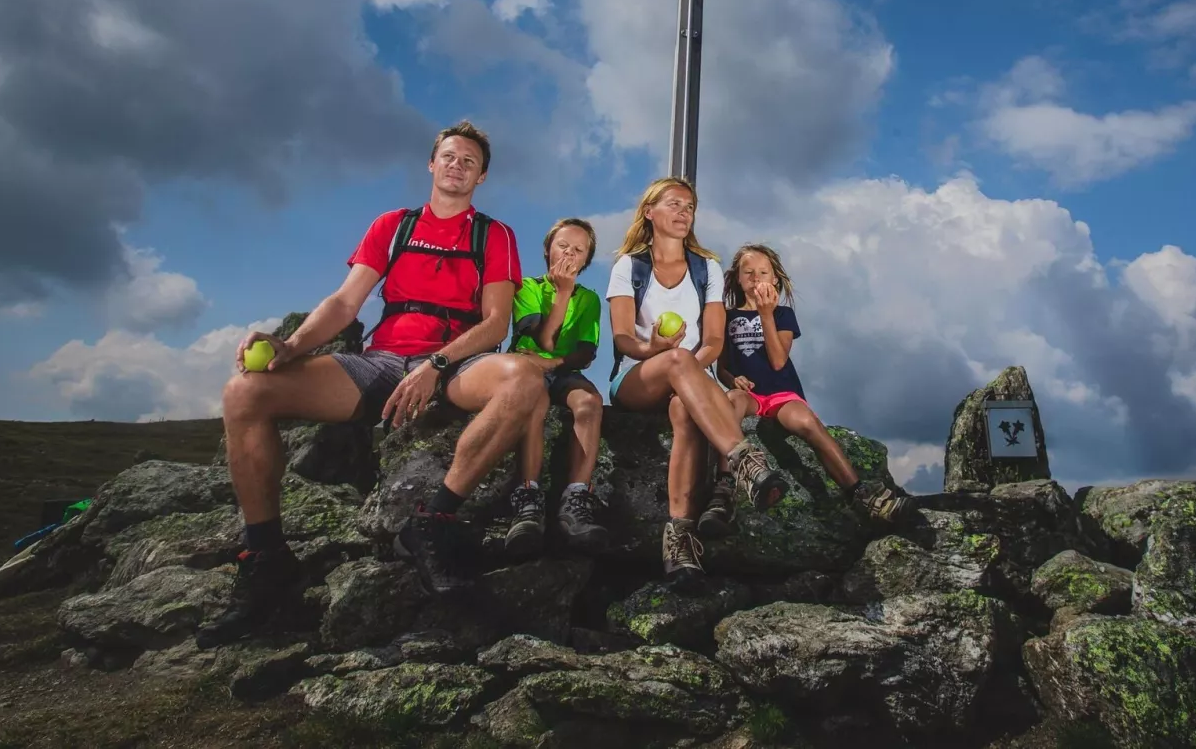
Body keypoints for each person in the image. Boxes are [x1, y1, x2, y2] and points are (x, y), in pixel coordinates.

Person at [197, 122, 547, 647]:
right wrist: (293, 346)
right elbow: (344, 303)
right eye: (449, 156)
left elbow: (496, 323)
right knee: (243, 391)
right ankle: (265, 556)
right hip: (379, 362)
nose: (457, 166)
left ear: (482, 176)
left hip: (452, 365)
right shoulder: (393, 225)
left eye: (469, 161)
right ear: (432, 165)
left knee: (524, 380)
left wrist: (437, 365)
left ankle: (431, 522)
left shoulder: (493, 235)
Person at [605, 177, 787, 587]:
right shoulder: (629, 266)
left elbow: (715, 341)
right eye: (674, 204)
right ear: (649, 212)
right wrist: (656, 349)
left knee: (684, 409)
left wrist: (687, 365)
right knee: (677, 360)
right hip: (637, 377)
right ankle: (742, 459)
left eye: (690, 207)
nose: (684, 213)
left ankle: (679, 538)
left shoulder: (707, 267)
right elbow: (621, 338)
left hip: (691, 380)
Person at [698, 243, 914, 537]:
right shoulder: (727, 317)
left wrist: (766, 314)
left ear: (774, 279)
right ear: (737, 277)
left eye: (763, 272)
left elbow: (777, 361)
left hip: (780, 392)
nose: (756, 278)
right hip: (748, 395)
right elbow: (722, 367)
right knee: (730, 402)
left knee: (806, 422)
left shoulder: (783, 314)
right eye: (748, 272)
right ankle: (724, 490)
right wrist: (732, 379)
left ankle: (860, 493)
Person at [507, 217, 609, 555]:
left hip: (562, 369)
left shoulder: (590, 299)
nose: (569, 253)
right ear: (548, 249)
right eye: (563, 246)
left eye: (579, 250)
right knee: (532, 397)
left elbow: (585, 352)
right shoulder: (527, 287)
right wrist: (562, 294)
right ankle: (527, 494)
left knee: (589, 403)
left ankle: (577, 494)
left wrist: (553, 363)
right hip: (525, 370)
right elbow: (543, 338)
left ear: (586, 261)